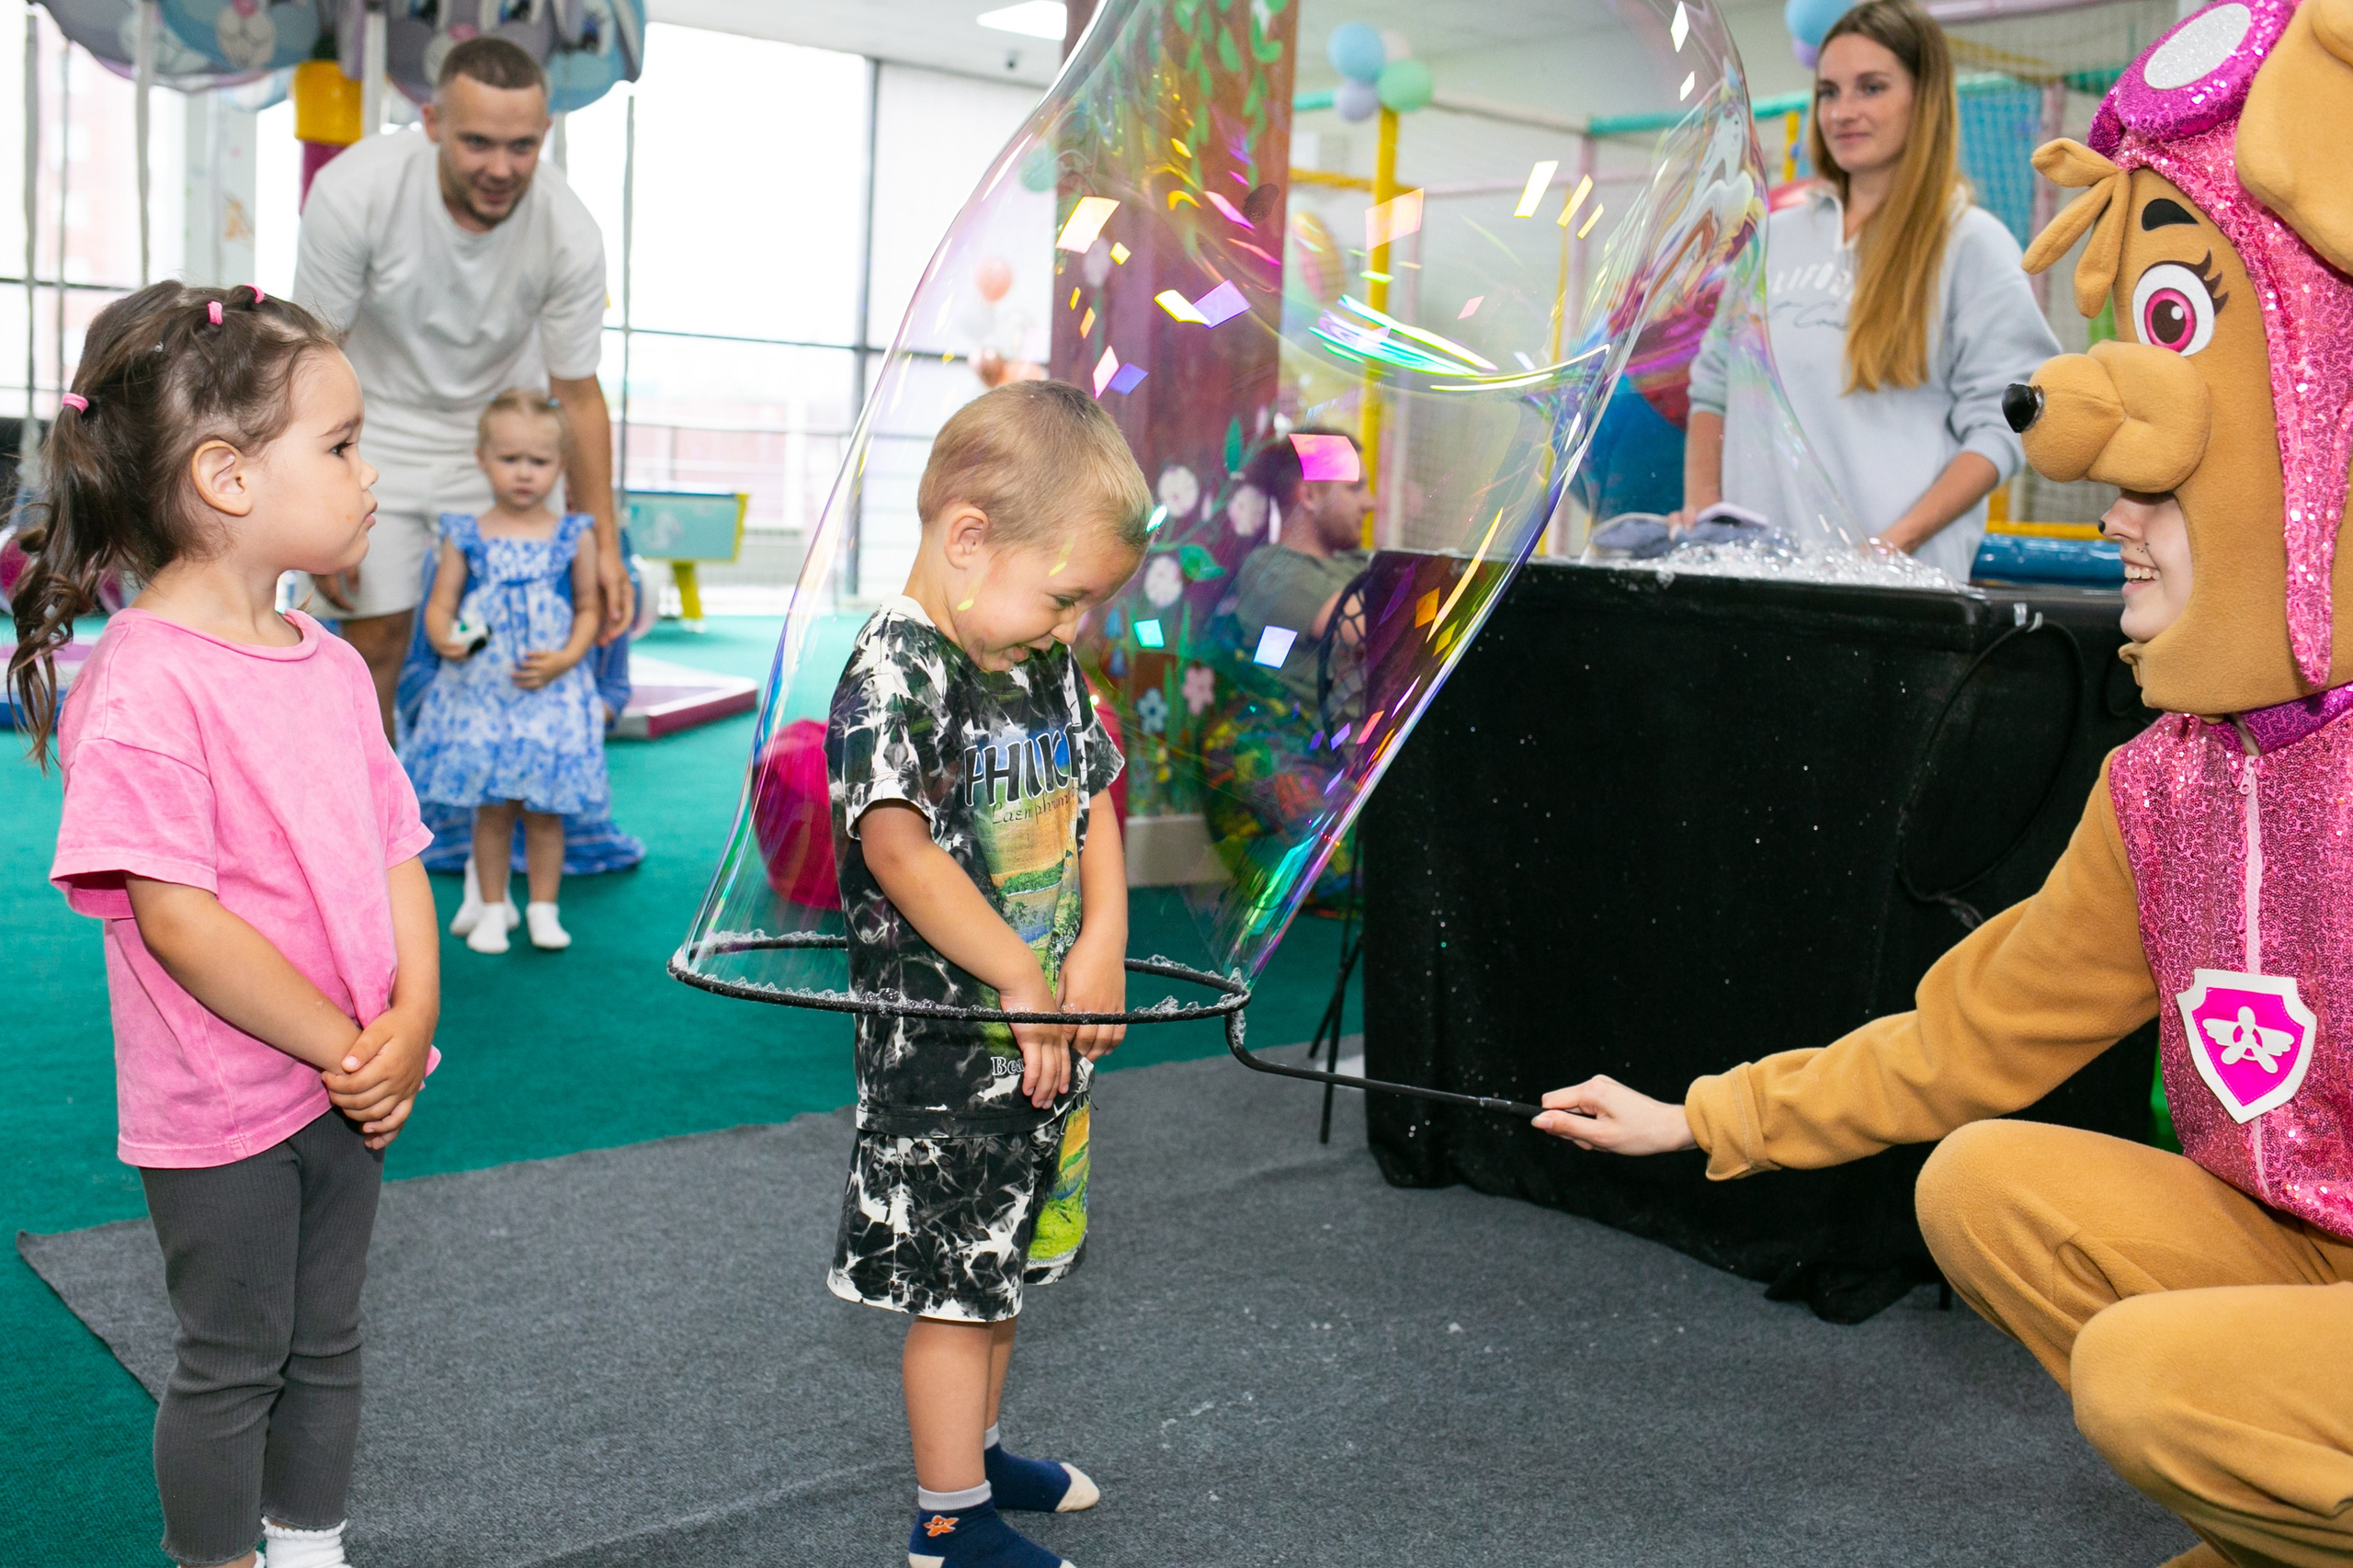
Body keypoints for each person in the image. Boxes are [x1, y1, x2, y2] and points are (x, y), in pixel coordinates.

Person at [7, 284, 438, 1568]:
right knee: (234, 1355)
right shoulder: (146, 677)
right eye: (343, 444)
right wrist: (347, 1043)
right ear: (227, 476)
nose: (369, 473)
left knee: (328, 1339)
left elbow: (396, 846)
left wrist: (409, 1016)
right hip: (226, 1105)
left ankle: (310, 1545)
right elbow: (180, 921)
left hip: (351, 1081)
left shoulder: (328, 662)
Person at [824, 380, 1146, 1568]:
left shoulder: (1037, 654)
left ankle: (981, 1450)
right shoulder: (894, 670)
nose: (1073, 625)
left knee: (1003, 1260)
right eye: (1067, 595)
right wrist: (1020, 968)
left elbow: (1092, 797)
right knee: (955, 1288)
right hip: (946, 1055)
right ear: (969, 538)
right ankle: (948, 1517)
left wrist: (1100, 935)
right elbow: (896, 848)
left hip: (1041, 1037)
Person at [294, 35, 630, 732]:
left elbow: (577, 394)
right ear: (432, 123)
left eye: (522, 147)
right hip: (372, 434)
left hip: (498, 446)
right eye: (477, 142)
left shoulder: (571, 232)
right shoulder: (353, 193)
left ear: (545, 133)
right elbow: (312, 358)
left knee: (510, 642)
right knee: (373, 643)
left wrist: (604, 542)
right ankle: (372, 794)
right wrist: (312, 505)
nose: (500, 169)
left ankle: (482, 795)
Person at [1680, 0, 2059, 582]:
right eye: (1828, 92)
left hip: (1891, 591)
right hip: (1752, 581)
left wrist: (1892, 546)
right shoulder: (1774, 237)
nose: (1843, 112)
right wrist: (1705, 517)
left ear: (1923, 99)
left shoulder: (1971, 243)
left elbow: (2008, 423)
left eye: (1871, 88)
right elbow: (1712, 388)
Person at [402, 390, 609, 954]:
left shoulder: (574, 534)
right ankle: (493, 908)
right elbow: (440, 605)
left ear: (560, 466)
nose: (524, 473)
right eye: (509, 458)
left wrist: (566, 657)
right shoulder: (465, 533)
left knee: (545, 813)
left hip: (549, 693)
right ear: (482, 459)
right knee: (491, 813)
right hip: (483, 693)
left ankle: (543, 907)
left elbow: (588, 607)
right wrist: (445, 638)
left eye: (538, 461)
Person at [1229, 426, 1372, 713]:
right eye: (1355, 488)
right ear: (1309, 496)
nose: (1371, 503)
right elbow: (1371, 626)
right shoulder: (1268, 571)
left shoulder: (1356, 560)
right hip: (1321, 740)